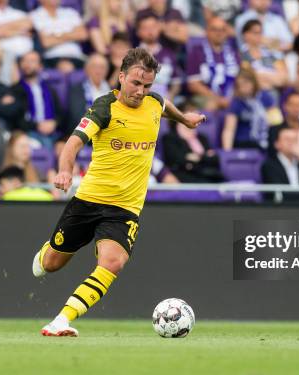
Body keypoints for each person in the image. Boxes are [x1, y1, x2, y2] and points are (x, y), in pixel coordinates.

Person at [31, 47, 206, 337]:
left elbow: (164, 107)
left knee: (113, 262)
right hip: (89, 201)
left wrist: (184, 119)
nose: (141, 91)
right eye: (136, 83)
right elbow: (73, 143)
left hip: (125, 208)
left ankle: (62, 319)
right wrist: (65, 170)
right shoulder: (104, 107)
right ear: (121, 77)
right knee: (51, 264)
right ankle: (45, 253)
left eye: (147, 85)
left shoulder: (154, 103)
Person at [10, 50, 64, 148]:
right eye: (24, 61)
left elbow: (60, 113)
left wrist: (54, 123)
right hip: (29, 133)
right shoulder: (15, 90)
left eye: (32, 61)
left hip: (53, 133)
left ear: (40, 66)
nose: (27, 64)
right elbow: (17, 118)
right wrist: (37, 126)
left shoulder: (50, 89)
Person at [186, 16, 240, 110]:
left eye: (223, 30)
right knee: (211, 105)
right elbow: (193, 85)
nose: (219, 33)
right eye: (214, 29)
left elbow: (241, 80)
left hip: (231, 97)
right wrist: (218, 99)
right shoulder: (197, 52)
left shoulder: (234, 53)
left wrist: (230, 98)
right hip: (206, 97)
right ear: (207, 31)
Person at [222, 68, 279, 151]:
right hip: (244, 143)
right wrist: (227, 152)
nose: (243, 88)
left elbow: (276, 122)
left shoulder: (265, 96)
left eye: (246, 83)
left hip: (265, 140)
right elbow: (229, 130)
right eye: (239, 85)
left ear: (253, 82)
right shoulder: (236, 102)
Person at [261, 125, 299, 202]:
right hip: (280, 209)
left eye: (294, 140)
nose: (291, 143)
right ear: (277, 144)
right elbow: (279, 194)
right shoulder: (269, 165)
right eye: (287, 140)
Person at [30, 0, 88, 72]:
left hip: (77, 56)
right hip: (52, 58)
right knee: (66, 68)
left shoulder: (71, 12)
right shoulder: (35, 15)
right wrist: (71, 34)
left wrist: (55, 36)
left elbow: (83, 35)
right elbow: (46, 42)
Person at [136, 14, 181, 100]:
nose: (150, 31)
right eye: (145, 28)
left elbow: (176, 83)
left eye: (153, 27)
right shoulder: (133, 55)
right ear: (138, 32)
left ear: (159, 29)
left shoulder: (169, 53)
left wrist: (170, 97)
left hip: (166, 101)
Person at [162, 119, 223, 183]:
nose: (190, 127)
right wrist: (204, 157)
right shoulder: (170, 138)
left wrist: (197, 158)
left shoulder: (202, 137)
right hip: (187, 175)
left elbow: (215, 159)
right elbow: (178, 160)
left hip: (208, 174)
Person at [239, 18, 287, 90]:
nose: (259, 36)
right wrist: (271, 78)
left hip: (274, 89)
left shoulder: (270, 53)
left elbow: (283, 77)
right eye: (255, 33)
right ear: (246, 35)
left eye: (260, 32)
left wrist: (263, 77)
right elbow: (249, 77)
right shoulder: (241, 55)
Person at [67, 53, 111, 128]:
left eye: (102, 67)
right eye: (94, 67)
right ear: (86, 69)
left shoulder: (111, 90)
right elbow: (77, 116)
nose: (98, 71)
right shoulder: (77, 89)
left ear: (107, 71)